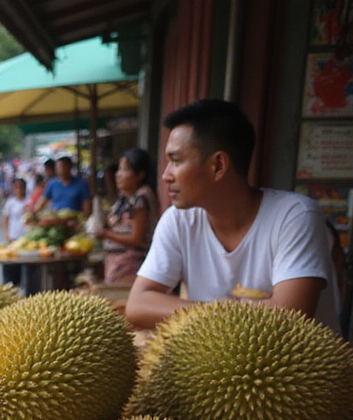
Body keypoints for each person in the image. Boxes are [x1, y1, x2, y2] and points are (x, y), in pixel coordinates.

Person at [127, 98, 341, 333]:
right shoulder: (178, 221)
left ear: (218, 165)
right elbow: (138, 305)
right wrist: (248, 310)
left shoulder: (296, 217)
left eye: (176, 161)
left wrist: (191, 313)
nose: (166, 175)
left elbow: (290, 316)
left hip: (299, 367)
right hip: (222, 366)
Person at [95, 148, 160, 284]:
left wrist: (105, 234)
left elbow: (136, 239)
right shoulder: (127, 198)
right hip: (118, 264)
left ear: (140, 174)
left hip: (130, 266)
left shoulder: (141, 198)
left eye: (124, 170)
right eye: (118, 170)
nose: (118, 175)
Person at [0, 177, 29, 293]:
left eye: (21, 187)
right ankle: (12, 288)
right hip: (13, 236)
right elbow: (5, 219)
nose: (19, 190)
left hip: (26, 237)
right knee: (12, 266)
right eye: (16, 187)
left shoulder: (29, 201)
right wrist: (7, 234)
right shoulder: (10, 203)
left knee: (25, 266)